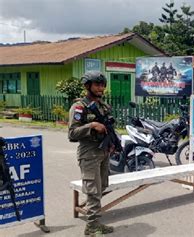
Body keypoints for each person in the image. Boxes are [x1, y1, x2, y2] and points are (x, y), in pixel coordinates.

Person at [68, 71, 115, 235]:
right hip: (89, 153)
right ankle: (92, 226)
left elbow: (109, 129)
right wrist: (91, 126)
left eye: (102, 85)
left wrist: (112, 143)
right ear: (88, 86)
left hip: (103, 151)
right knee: (93, 191)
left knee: (102, 187)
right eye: (97, 84)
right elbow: (72, 134)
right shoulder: (79, 107)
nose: (100, 88)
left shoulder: (103, 106)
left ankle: (95, 221)